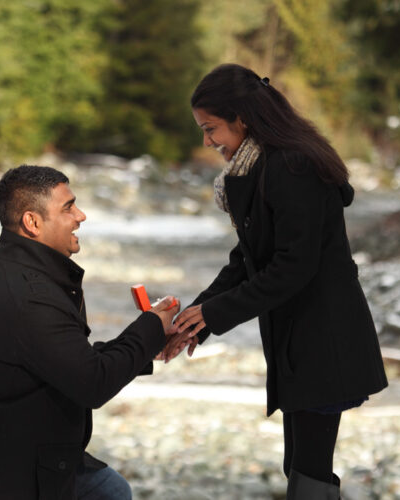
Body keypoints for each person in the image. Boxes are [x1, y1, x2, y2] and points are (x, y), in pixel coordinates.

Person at [164, 63, 388, 498]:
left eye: (211, 130)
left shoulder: (292, 167)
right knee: (302, 468)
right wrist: (198, 318)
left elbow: (293, 267)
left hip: (324, 340)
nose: (208, 143)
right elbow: (248, 259)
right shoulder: (263, 167)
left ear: (241, 119)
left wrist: (211, 313)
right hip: (300, 343)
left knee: (309, 474)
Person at [0, 165, 179, 500]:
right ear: (32, 222)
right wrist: (151, 325)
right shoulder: (28, 296)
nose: (80, 216)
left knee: (111, 490)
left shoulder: (33, 276)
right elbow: (92, 382)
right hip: (4, 475)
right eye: (68, 207)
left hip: (40, 457)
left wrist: (149, 342)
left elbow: (68, 359)